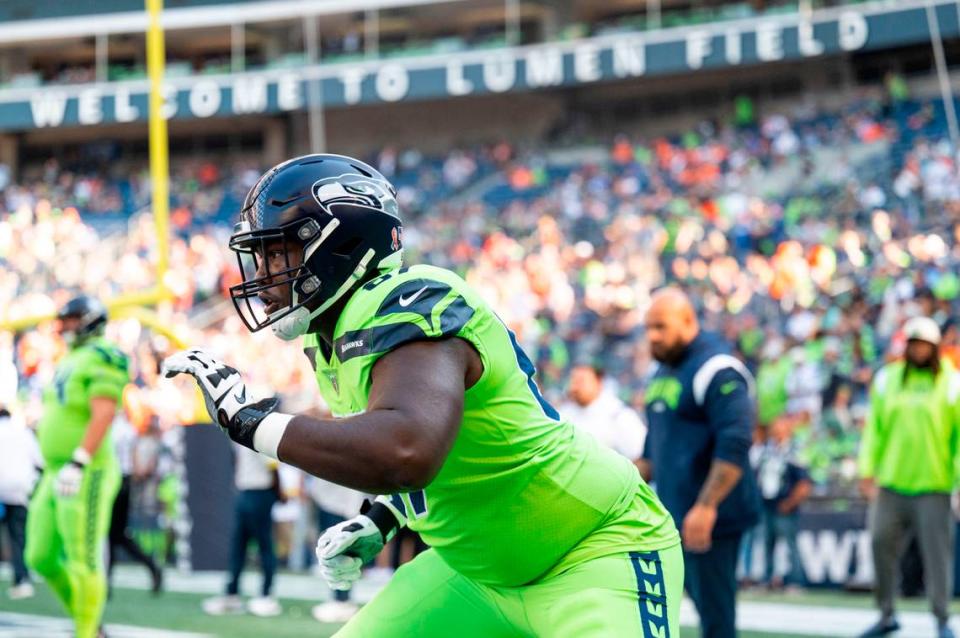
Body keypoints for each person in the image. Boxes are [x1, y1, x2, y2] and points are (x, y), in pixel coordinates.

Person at [164, 153, 682, 637]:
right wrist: (384, 517)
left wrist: (250, 422)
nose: (264, 276)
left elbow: (407, 449)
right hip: (479, 574)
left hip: (591, 551)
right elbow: (461, 448)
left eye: (278, 253)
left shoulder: (413, 299)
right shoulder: (329, 342)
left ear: (339, 244)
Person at [640, 287, 760, 638]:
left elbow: (735, 441)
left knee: (716, 618)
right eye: (648, 328)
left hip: (712, 517)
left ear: (688, 321)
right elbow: (653, 450)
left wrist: (707, 506)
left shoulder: (717, 368)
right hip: (675, 513)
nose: (653, 337)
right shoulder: (662, 372)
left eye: (661, 327)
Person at [24, 296, 126, 638]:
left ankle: (84, 631)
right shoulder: (69, 358)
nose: (63, 326)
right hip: (55, 470)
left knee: (84, 559)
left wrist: (80, 460)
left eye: (70, 320)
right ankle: (90, 627)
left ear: (88, 320)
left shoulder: (103, 355)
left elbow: (104, 413)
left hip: (87, 468)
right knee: (40, 556)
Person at [857, 316, 959, 638]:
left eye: (924, 344)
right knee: (878, 543)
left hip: (934, 484)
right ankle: (886, 614)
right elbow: (874, 429)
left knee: (937, 557)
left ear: (934, 348)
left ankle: (942, 618)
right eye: (913, 343)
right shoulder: (887, 380)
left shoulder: (952, 383)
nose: (918, 350)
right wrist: (867, 469)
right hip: (892, 483)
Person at [203, 444, 283, 617]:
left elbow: (272, 466)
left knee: (264, 545)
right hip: (245, 491)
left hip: (260, 492)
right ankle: (232, 594)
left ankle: (266, 594)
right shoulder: (239, 435)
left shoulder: (259, 433)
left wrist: (279, 491)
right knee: (238, 545)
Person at [108, 413, 163, 595]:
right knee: (116, 535)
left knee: (111, 535)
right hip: (124, 480)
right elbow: (134, 458)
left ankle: (106, 582)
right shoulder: (127, 428)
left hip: (113, 481)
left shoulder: (112, 427)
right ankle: (151, 566)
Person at [755, 414, 811, 591]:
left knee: (790, 543)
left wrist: (791, 502)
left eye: (780, 430)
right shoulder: (766, 452)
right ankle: (768, 578)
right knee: (766, 543)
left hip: (785, 505)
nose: (776, 434)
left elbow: (804, 483)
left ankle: (796, 580)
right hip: (767, 504)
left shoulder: (794, 452)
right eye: (774, 430)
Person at [558, 363, 647, 470]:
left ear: (599, 382)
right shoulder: (564, 413)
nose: (574, 387)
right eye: (573, 381)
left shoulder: (618, 415)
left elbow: (640, 458)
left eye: (581, 381)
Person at [0, 407, 43, 599]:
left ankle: (21, 578)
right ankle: (22, 578)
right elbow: (39, 461)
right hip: (20, 489)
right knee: (18, 537)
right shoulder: (23, 433)